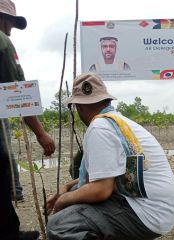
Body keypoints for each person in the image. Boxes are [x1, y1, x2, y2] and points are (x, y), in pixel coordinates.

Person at [46, 73, 174, 239]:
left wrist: (63, 200)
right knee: (75, 191)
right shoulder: (116, 122)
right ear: (106, 101)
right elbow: (108, 174)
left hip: (148, 213)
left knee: (60, 225)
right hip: (161, 207)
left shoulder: (99, 128)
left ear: (78, 107)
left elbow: (101, 190)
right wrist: (67, 188)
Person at [0, 1, 56, 239]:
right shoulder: (2, 42)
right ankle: (9, 233)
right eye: (11, 22)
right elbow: (17, 93)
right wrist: (41, 133)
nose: (11, 28)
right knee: (2, 170)